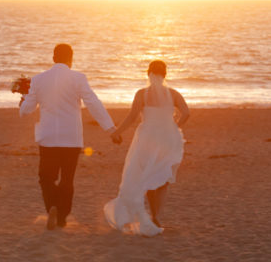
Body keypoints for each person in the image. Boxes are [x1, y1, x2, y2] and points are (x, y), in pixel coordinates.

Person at [20, 44, 116, 230]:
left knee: (46, 178)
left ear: (53, 58)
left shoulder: (38, 80)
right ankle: (62, 217)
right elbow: (93, 103)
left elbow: (27, 111)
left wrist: (23, 100)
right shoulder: (78, 78)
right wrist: (110, 128)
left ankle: (53, 207)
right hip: (71, 139)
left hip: (48, 138)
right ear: (71, 59)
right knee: (67, 179)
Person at [104, 60, 190, 236]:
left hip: (147, 139)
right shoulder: (173, 94)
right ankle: (156, 215)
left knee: (148, 174)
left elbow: (131, 117)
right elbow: (186, 112)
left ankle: (152, 215)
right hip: (168, 138)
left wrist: (116, 132)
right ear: (165, 74)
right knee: (163, 175)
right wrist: (175, 125)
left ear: (148, 74)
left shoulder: (142, 94)